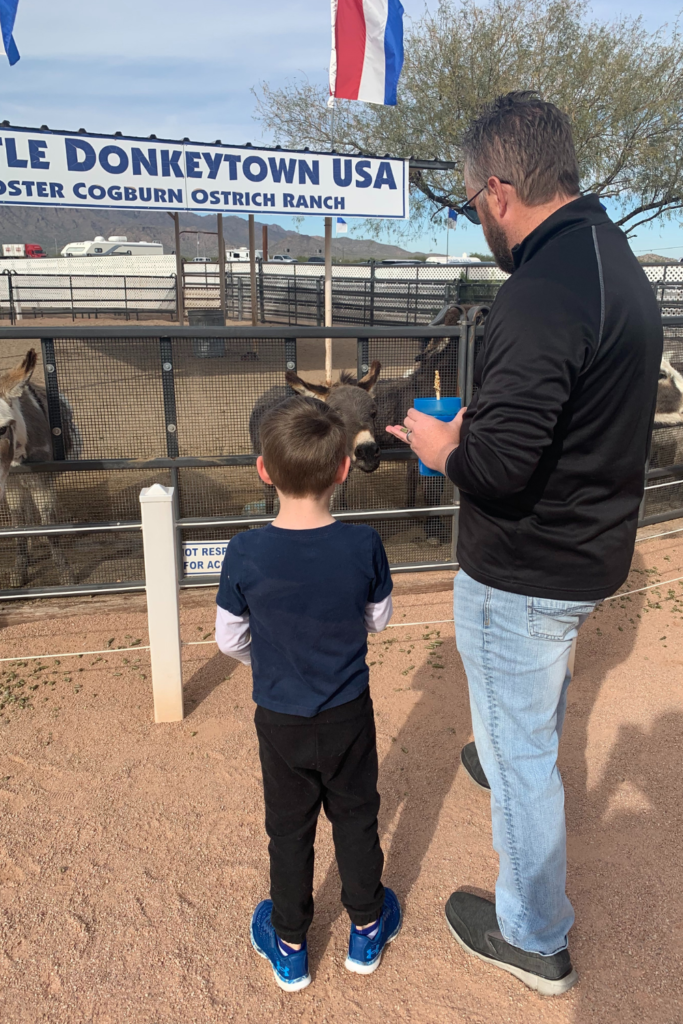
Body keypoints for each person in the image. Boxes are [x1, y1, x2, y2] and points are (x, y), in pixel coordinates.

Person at [388, 91, 662, 995]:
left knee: (524, 766)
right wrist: (490, 424)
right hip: (585, 550)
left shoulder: (538, 293)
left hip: (526, 563)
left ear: (498, 191)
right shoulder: (612, 261)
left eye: (473, 206)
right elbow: (562, 419)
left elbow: (499, 469)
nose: (478, 225)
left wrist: (442, 443)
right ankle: (503, 746)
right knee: (526, 702)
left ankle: (534, 937)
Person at [215, 395, 401, 992]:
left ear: (263, 470)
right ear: (345, 468)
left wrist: (270, 658)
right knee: (357, 815)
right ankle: (367, 928)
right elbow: (378, 618)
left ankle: (290, 943)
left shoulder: (244, 551)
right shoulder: (364, 544)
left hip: (281, 716)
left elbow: (229, 639)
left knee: (288, 828)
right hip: (347, 711)